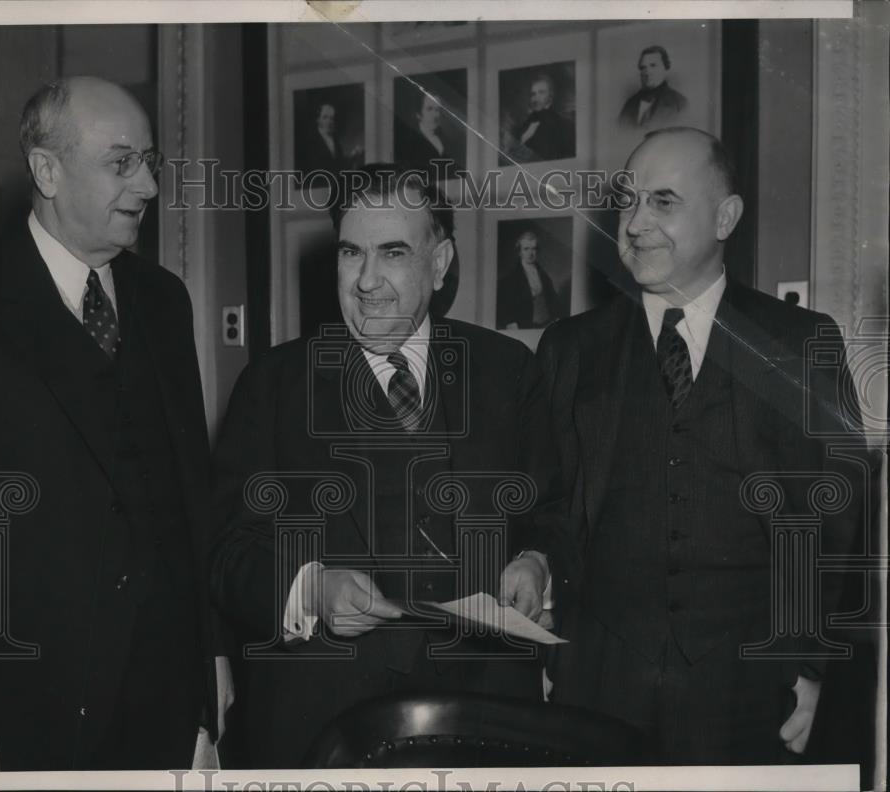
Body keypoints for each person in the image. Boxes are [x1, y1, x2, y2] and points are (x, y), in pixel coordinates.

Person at [0, 76, 229, 771]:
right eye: (122, 163)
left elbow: (190, 505)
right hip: (20, 705)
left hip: (162, 704)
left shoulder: (164, 301)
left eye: (150, 162)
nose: (146, 186)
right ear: (46, 170)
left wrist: (212, 670)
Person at [536, 127, 869, 764]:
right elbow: (549, 511)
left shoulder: (801, 343)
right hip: (597, 687)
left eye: (663, 202)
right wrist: (548, 646)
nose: (633, 224)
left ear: (725, 217)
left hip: (753, 693)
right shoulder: (569, 351)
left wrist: (815, 670)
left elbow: (839, 524)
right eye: (628, 201)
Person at [211, 164, 559, 768]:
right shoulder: (271, 385)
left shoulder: (509, 372)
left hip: (488, 723)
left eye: (393, 252)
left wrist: (536, 561)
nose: (367, 281)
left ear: (440, 262)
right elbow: (226, 553)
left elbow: (552, 513)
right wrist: (311, 588)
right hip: (321, 731)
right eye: (352, 254)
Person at [496, 230, 567, 329]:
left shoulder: (544, 276)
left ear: (537, 251)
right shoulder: (509, 279)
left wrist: (557, 319)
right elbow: (502, 308)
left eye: (533, 249)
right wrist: (510, 323)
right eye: (526, 249)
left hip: (546, 325)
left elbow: (553, 301)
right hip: (523, 327)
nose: (530, 253)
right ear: (519, 252)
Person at [506, 73, 574, 163]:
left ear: (550, 96)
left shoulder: (564, 124)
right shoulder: (523, 125)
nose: (536, 98)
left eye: (541, 92)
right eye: (533, 94)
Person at [618, 45, 688, 129]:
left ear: (666, 68)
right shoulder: (629, 104)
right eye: (643, 68)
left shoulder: (680, 103)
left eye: (653, 65)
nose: (647, 72)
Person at [397, 92, 455, 178]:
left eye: (437, 110)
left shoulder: (447, 141)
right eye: (429, 109)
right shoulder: (409, 143)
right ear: (418, 114)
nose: (436, 115)